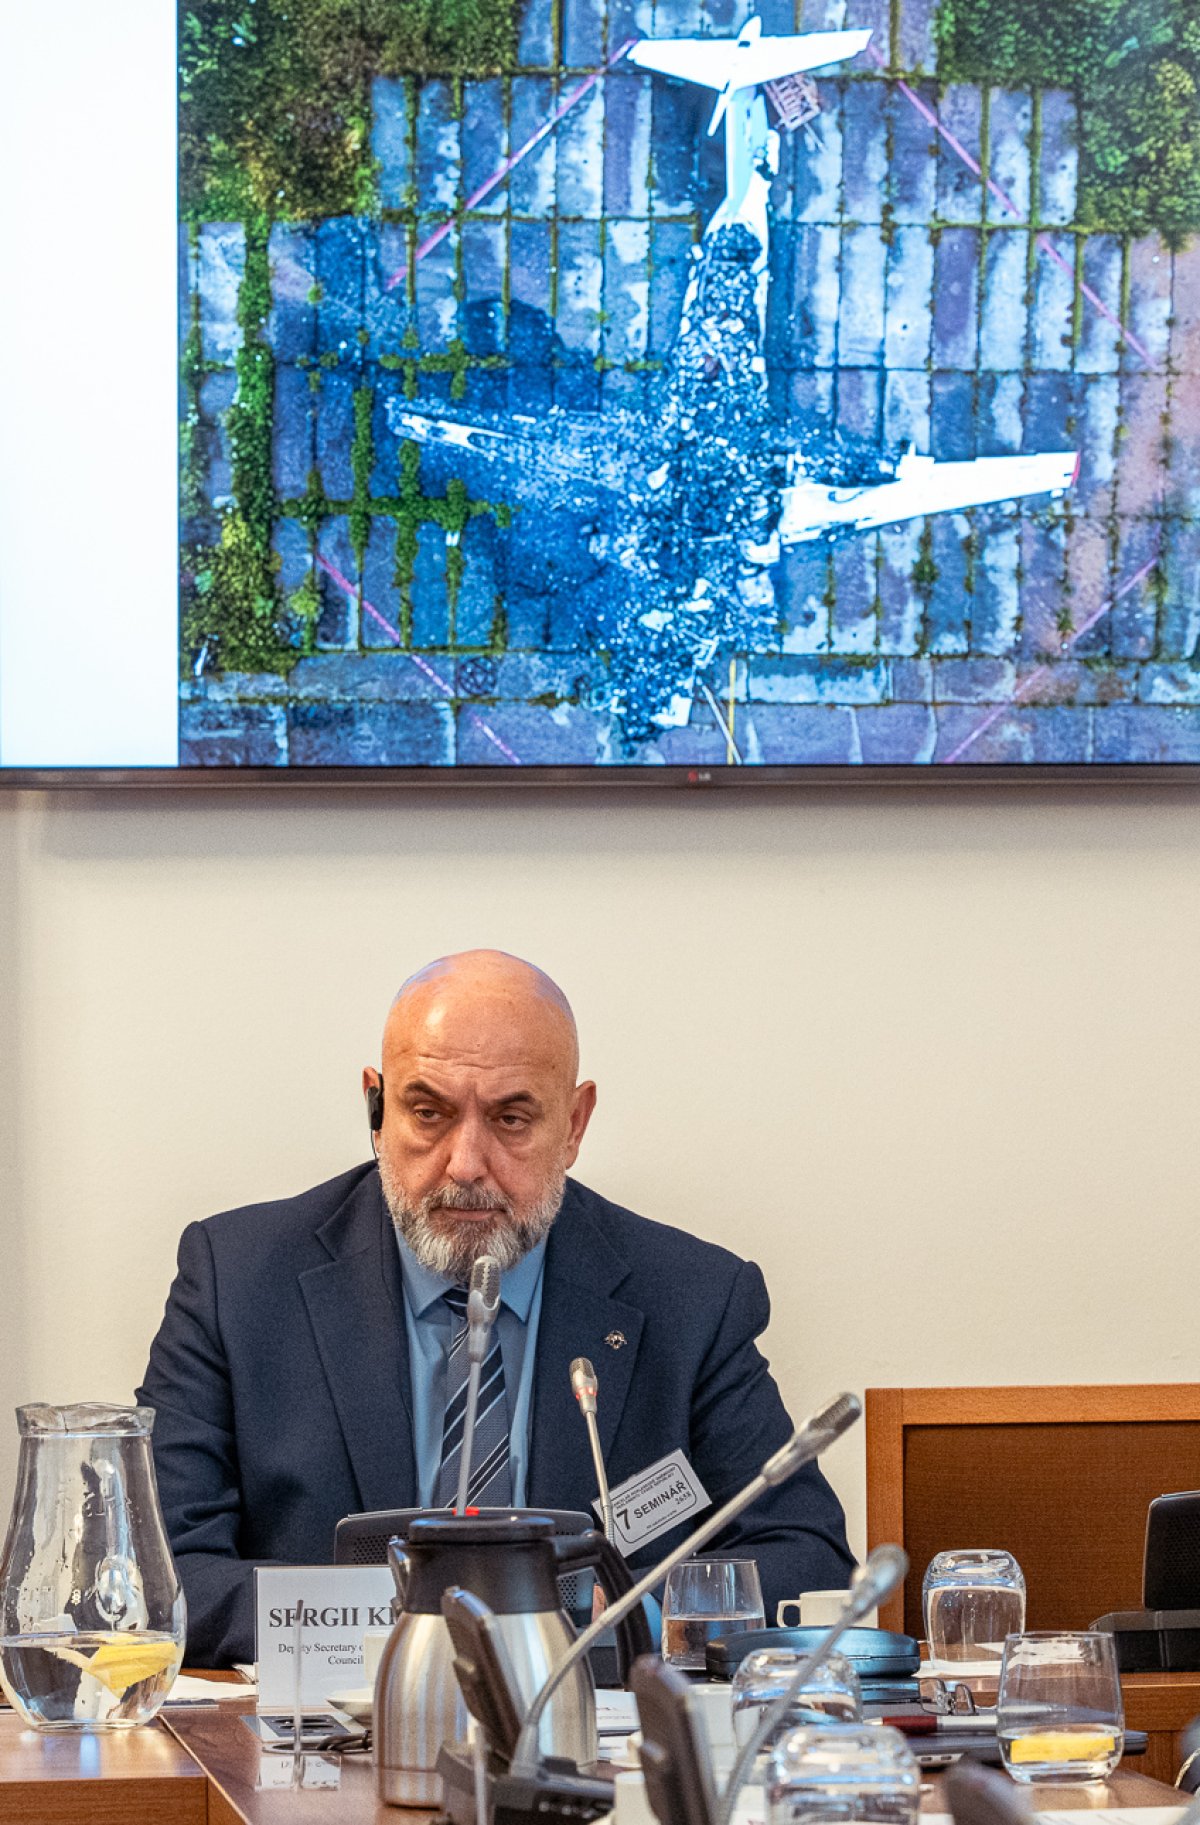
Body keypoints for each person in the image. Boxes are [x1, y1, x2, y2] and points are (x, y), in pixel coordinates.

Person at [138, 951, 853, 1665]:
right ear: (377, 1109)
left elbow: (804, 1557)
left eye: (512, 1118)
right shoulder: (238, 1280)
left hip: (589, 1723)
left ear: (574, 1123)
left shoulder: (692, 1299)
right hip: (319, 1729)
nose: (466, 1164)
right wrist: (397, 1622)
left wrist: (620, 1613)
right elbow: (159, 1573)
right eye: (428, 1113)